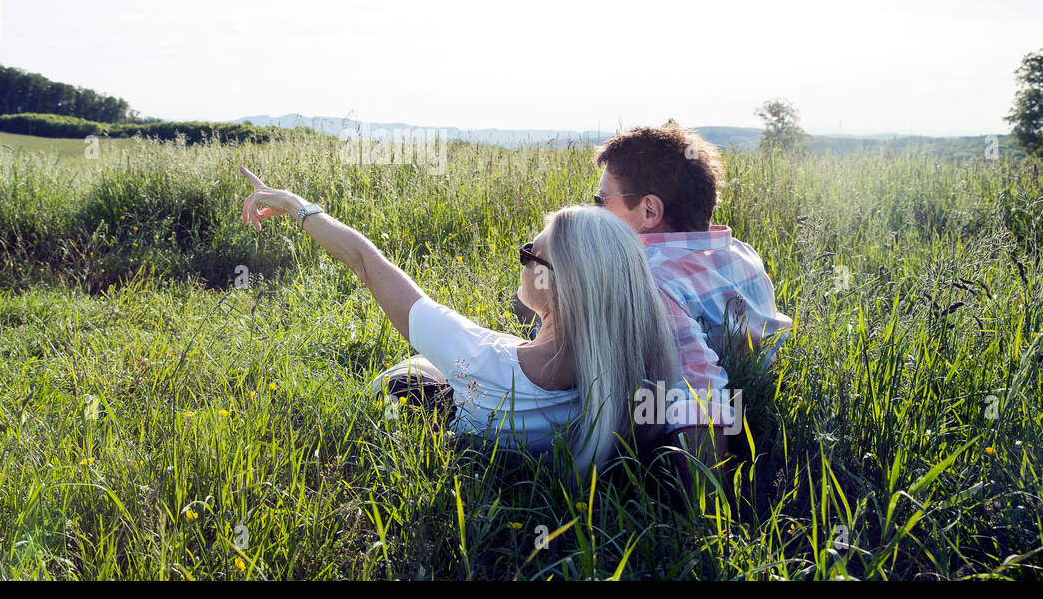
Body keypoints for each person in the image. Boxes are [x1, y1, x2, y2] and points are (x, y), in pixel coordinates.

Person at [238, 167, 680, 486]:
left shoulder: (483, 358)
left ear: (561, 286)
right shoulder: (632, 371)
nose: (523, 258)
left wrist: (297, 206)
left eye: (531, 253)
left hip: (453, 424)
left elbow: (366, 262)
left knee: (409, 373)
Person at [517, 125, 792, 465]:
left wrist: (704, 509)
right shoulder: (740, 253)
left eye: (602, 201)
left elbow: (697, 393)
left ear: (649, 210)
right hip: (766, 407)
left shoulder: (653, 280)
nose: (598, 213)